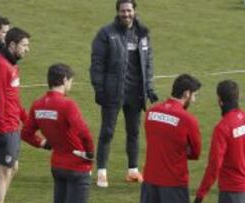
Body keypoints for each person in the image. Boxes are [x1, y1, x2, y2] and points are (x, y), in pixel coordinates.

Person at [90, 0, 158, 187]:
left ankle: (133, 171)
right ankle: (102, 172)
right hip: (113, 93)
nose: (126, 14)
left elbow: (148, 63)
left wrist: (149, 88)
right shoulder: (106, 34)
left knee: (134, 132)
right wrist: (99, 89)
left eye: (129, 11)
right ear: (117, 12)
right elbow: (97, 64)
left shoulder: (143, 33)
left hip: (135, 93)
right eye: (123, 11)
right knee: (107, 132)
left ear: (134, 11)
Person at [21, 63, 95, 203]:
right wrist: (90, 152)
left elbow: (25, 134)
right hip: (77, 166)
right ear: (65, 80)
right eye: (71, 81)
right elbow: (84, 133)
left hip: (57, 166)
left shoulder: (38, 105)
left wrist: (44, 144)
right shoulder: (67, 105)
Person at [193, 80, 245, 203]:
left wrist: (201, 194)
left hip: (232, 190)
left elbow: (214, 165)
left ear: (219, 100)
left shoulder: (222, 128)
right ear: (238, 96)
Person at [140, 74, 202, 203]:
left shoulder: (151, 113)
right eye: (194, 95)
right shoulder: (188, 120)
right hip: (174, 184)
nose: (194, 100)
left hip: (149, 181)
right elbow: (195, 153)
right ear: (186, 94)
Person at [0, 27, 30, 203]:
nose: (27, 49)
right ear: (12, 45)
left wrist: (26, 119)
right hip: (4, 128)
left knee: (12, 169)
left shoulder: (11, 65)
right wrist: (4, 129)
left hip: (12, 126)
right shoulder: (0, 66)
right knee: (3, 173)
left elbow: (13, 99)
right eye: (24, 45)